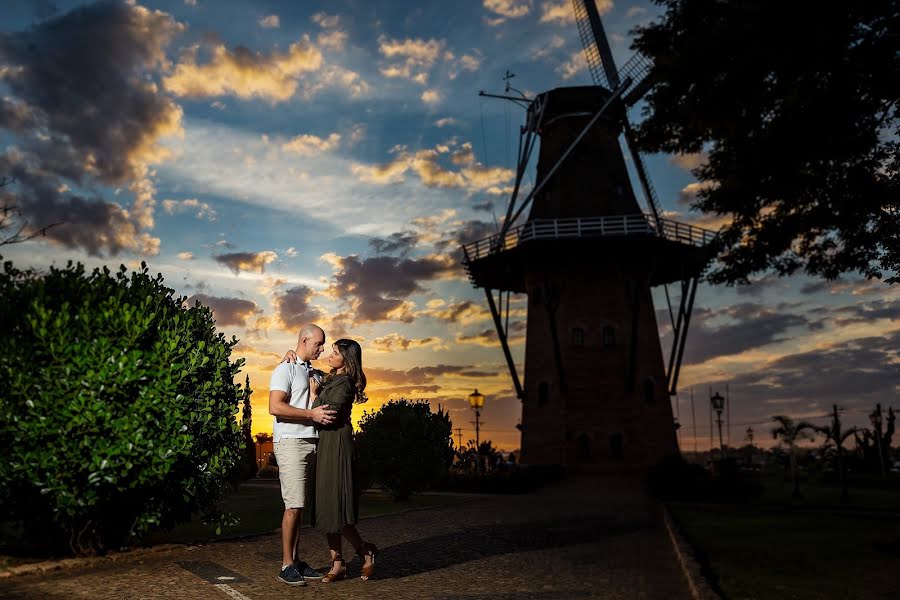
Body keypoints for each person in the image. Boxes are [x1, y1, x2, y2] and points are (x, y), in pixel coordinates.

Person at [285, 338, 377, 582]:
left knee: (337, 505)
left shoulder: (345, 383)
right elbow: (307, 367)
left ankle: (364, 551)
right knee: (326, 506)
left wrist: (315, 395)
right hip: (325, 444)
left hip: (337, 444)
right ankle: (337, 562)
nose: (329, 355)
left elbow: (326, 415)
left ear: (346, 359)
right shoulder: (330, 377)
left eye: (335, 352)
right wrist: (291, 353)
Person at [268, 324, 336, 587]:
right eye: (318, 343)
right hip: (291, 442)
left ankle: (296, 561)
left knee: (301, 506)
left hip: (312, 442)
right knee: (293, 505)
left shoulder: (313, 373)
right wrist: (311, 415)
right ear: (304, 340)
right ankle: (286, 565)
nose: (322, 348)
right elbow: (275, 406)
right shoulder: (284, 368)